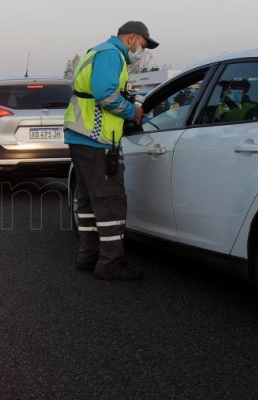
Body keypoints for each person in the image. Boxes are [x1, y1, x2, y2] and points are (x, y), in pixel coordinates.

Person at [64, 21, 159, 280]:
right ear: (131, 38)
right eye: (142, 43)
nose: (142, 49)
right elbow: (105, 95)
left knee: (87, 200)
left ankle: (88, 255)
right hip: (96, 139)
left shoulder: (98, 51)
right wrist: (133, 112)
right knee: (110, 200)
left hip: (81, 136)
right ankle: (110, 264)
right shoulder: (111, 55)